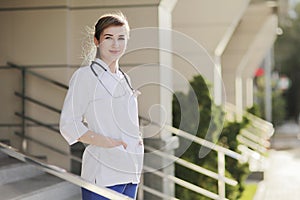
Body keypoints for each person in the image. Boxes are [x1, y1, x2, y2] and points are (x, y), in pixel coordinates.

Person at [59, 12, 144, 200]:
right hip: (103, 172)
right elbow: (68, 124)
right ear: (97, 40)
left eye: (121, 38)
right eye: (109, 38)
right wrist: (106, 142)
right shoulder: (85, 76)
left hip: (131, 171)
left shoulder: (124, 78)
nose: (116, 44)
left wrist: (137, 140)